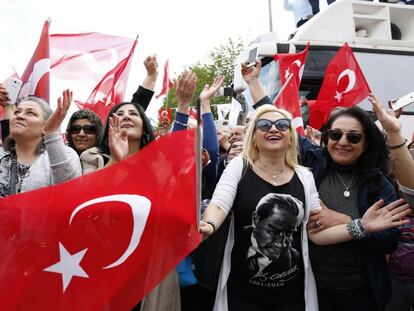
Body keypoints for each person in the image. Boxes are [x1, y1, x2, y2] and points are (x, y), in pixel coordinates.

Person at [199, 102, 409, 311]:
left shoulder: (305, 175)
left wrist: (360, 226)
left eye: (282, 125)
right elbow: (220, 203)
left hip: (300, 296)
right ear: (253, 137)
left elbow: (316, 233)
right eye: (264, 125)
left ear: (291, 137)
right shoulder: (240, 166)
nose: (274, 128)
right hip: (244, 294)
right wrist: (209, 224)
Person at [238, 60, 412, 311]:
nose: (343, 142)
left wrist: (343, 220)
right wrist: (254, 82)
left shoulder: (378, 185)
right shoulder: (312, 165)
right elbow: (276, 121)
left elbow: (389, 241)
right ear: (327, 136)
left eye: (353, 137)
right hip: (311, 288)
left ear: (365, 143)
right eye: (335, 134)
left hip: (362, 293)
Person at [0, 90, 81, 196]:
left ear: (45, 125)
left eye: (30, 113)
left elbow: (70, 192)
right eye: (16, 112)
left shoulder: (67, 154)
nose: (19, 116)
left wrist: (51, 132)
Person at [80, 101, 155, 173]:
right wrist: (114, 161)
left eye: (133, 114)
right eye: (119, 114)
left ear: (144, 128)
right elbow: (90, 186)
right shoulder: (91, 157)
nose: (126, 116)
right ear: (110, 126)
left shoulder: (159, 160)